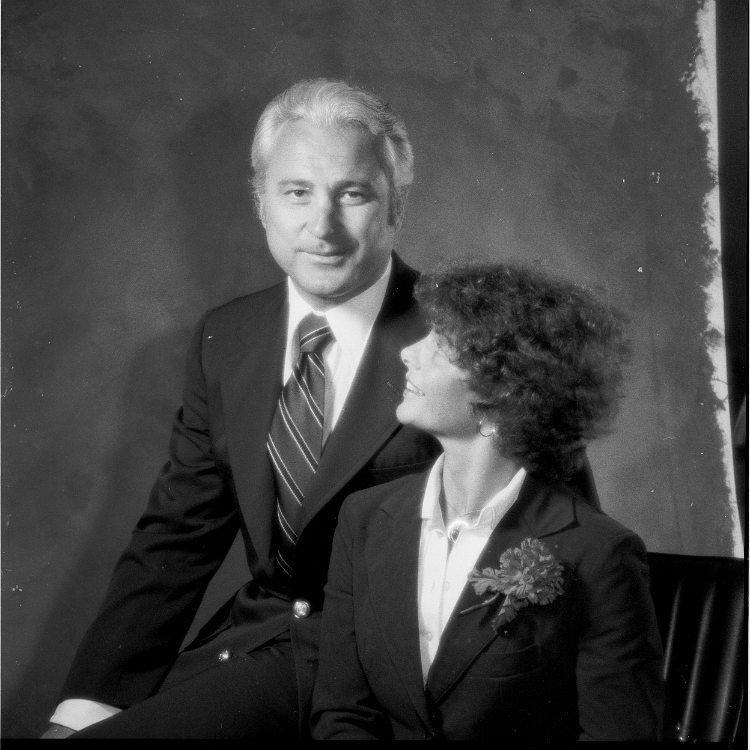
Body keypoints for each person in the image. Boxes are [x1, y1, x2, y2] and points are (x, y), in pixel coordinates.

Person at [42, 78, 445, 739]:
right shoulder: (228, 337)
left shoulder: (465, 336)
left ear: (396, 204)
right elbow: (177, 538)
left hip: (392, 674)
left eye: (353, 193)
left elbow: (554, 543)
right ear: (261, 203)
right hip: (255, 647)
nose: (322, 226)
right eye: (296, 193)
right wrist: (85, 708)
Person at [311, 264, 665, 741]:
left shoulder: (600, 554)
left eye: (440, 346)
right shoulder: (365, 518)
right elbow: (341, 714)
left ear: (503, 390)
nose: (408, 352)